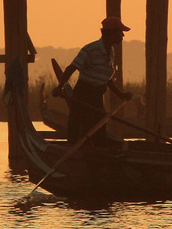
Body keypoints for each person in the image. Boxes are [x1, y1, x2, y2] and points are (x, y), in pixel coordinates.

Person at [55, 17, 133, 147]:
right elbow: (71, 68)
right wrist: (60, 86)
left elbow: (105, 78)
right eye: (120, 32)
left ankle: (98, 158)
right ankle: (76, 157)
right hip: (83, 94)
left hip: (97, 96)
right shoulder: (90, 50)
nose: (123, 35)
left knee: (99, 130)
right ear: (110, 33)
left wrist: (121, 94)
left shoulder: (111, 51)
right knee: (76, 129)